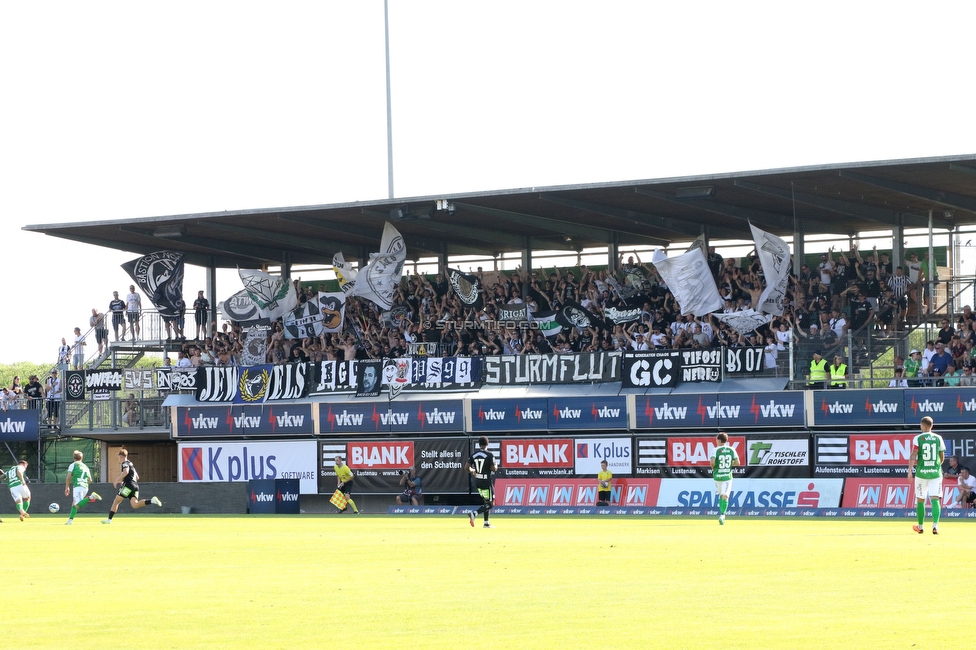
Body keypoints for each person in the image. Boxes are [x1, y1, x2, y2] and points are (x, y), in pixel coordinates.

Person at [103, 448, 162, 523]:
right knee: (135, 505)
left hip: (128, 485)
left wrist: (117, 480)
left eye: (118, 457)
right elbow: (137, 477)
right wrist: (125, 480)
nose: (118, 459)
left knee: (116, 501)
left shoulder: (124, 463)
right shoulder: (131, 464)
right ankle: (152, 501)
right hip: (135, 486)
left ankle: (109, 520)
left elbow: (126, 472)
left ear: (121, 456)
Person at [908, 416, 945, 535]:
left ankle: (921, 526)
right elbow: (942, 456)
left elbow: (914, 454)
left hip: (921, 474)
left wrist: (909, 470)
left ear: (922, 425)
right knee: (935, 499)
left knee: (920, 499)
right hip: (935, 473)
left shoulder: (918, 438)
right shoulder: (938, 438)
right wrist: (935, 466)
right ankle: (935, 526)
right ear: (932, 425)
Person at [465, 435, 497, 528]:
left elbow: (466, 467)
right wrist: (496, 466)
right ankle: (474, 513)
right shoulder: (489, 454)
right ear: (487, 444)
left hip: (478, 480)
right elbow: (493, 469)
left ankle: (486, 523)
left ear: (479, 444)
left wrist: (473, 470)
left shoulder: (474, 455)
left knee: (486, 502)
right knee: (491, 504)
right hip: (486, 481)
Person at [64, 450, 102, 524]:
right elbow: (90, 480)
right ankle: (70, 521)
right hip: (85, 487)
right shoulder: (85, 466)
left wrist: (67, 487)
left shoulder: (73, 465)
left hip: (78, 486)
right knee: (74, 504)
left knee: (77, 505)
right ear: (81, 458)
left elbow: (68, 477)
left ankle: (91, 497)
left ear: (74, 458)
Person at [710, 432, 740, 525]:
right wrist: (728, 465)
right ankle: (723, 514)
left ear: (719, 440)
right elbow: (738, 463)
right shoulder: (732, 449)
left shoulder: (715, 450)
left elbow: (712, 462)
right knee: (724, 495)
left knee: (723, 495)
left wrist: (715, 468)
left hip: (717, 476)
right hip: (727, 476)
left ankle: (722, 515)